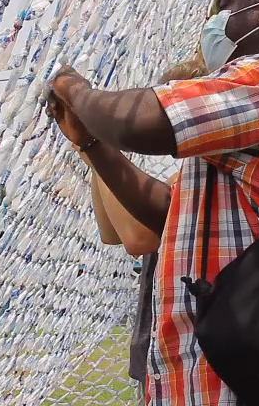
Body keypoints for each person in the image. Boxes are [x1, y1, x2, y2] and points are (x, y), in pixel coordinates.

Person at [48, 0, 259, 405]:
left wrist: (74, 88)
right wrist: (89, 142)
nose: (214, 22)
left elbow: (137, 123)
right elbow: (165, 210)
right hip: (201, 366)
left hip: (232, 370)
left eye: (225, 6)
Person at [78, 61, 206, 402]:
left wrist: (95, 144)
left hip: (190, 358)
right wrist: (98, 151)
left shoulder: (200, 184)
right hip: (160, 352)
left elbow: (138, 239)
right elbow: (112, 231)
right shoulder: (180, 180)